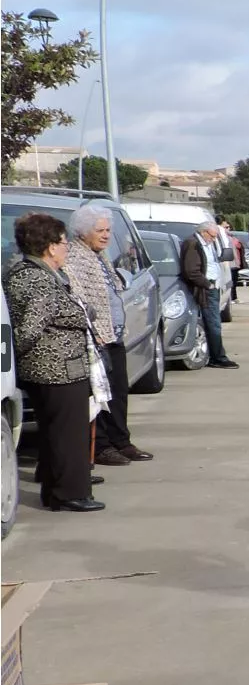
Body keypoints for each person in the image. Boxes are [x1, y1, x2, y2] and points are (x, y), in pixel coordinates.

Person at [5, 213, 107, 512]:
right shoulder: (35, 278)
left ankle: (58, 489)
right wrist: (81, 315)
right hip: (54, 370)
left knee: (58, 432)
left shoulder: (35, 274)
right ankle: (68, 493)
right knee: (67, 432)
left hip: (59, 368)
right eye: (64, 243)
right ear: (50, 247)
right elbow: (29, 328)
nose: (66, 249)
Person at [65, 205, 154, 468]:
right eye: (100, 231)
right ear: (83, 232)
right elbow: (79, 297)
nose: (106, 235)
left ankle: (121, 441)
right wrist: (96, 332)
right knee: (102, 397)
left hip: (113, 335)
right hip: (97, 338)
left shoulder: (99, 256)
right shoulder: (76, 258)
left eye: (108, 230)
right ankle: (103, 446)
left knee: (118, 391)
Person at [183, 219, 238, 369]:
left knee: (213, 323)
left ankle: (216, 354)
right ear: (203, 232)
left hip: (213, 286)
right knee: (213, 323)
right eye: (212, 236)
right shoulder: (193, 244)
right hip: (206, 288)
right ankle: (218, 357)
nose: (214, 239)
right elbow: (191, 271)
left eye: (215, 237)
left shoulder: (207, 243)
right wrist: (208, 284)